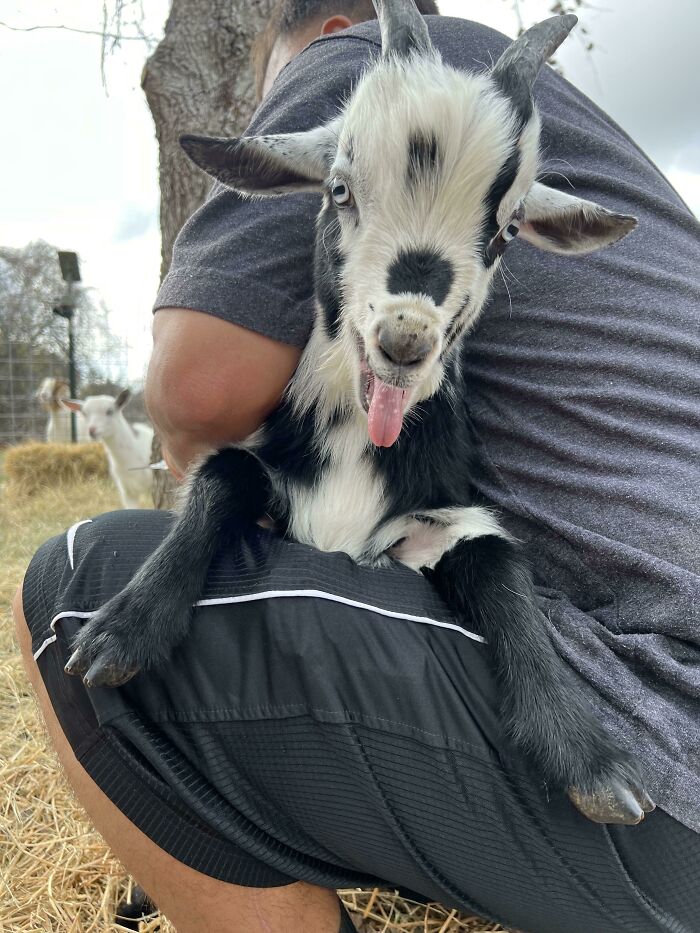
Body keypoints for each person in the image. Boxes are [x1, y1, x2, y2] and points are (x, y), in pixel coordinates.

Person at [14, 2, 700, 932]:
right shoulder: (590, 153)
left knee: (71, 579)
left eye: (277, 99)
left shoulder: (370, 71)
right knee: (236, 504)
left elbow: (195, 396)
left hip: (656, 744)